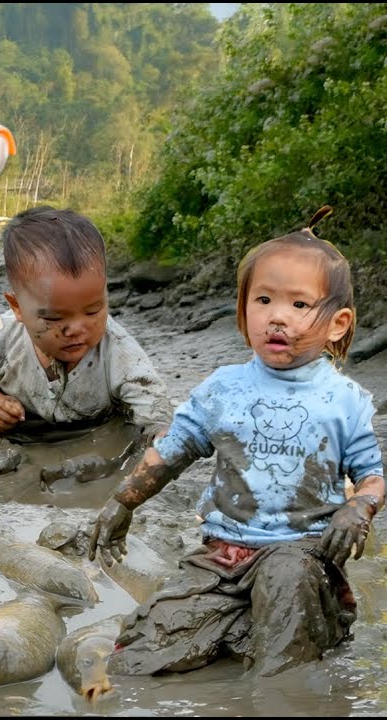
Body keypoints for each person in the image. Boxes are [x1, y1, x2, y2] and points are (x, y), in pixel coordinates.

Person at [85, 207, 384, 677]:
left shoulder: (344, 400)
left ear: (338, 324)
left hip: (301, 553)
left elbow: (371, 477)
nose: (277, 318)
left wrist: (357, 509)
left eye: (299, 306)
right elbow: (172, 450)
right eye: (263, 300)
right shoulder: (223, 389)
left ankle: (280, 668)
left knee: (284, 626)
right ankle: (238, 621)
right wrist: (122, 502)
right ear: (243, 307)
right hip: (223, 555)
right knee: (142, 651)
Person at [0, 206, 173, 481]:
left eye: (93, 311)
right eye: (55, 317)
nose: (76, 329)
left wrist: (161, 435)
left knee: (137, 430)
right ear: (18, 308)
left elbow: (151, 401)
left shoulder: (117, 348)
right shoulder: (2, 338)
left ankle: (96, 466)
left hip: (94, 429)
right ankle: (0, 461)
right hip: (22, 428)